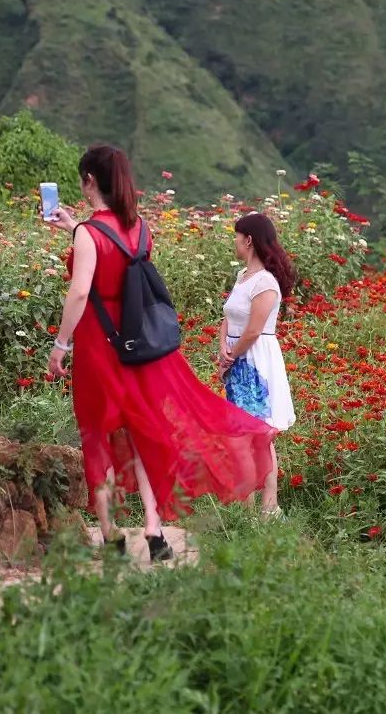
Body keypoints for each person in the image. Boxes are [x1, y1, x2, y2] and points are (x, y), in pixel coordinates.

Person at [46, 144, 276, 561]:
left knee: (97, 437)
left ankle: (112, 536)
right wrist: (74, 229)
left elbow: (81, 291)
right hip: (139, 348)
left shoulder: (88, 234)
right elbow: (118, 257)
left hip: (101, 349)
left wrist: (60, 345)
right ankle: (154, 533)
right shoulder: (141, 227)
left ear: (90, 181)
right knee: (141, 434)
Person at [218, 213, 296, 518]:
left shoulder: (265, 281)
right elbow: (230, 316)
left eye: (237, 237)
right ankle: (250, 504)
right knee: (242, 433)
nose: (234, 242)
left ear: (248, 240)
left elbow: (253, 329)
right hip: (237, 357)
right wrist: (223, 345)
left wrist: (231, 355)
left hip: (253, 362)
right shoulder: (243, 277)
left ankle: (268, 505)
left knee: (258, 433)